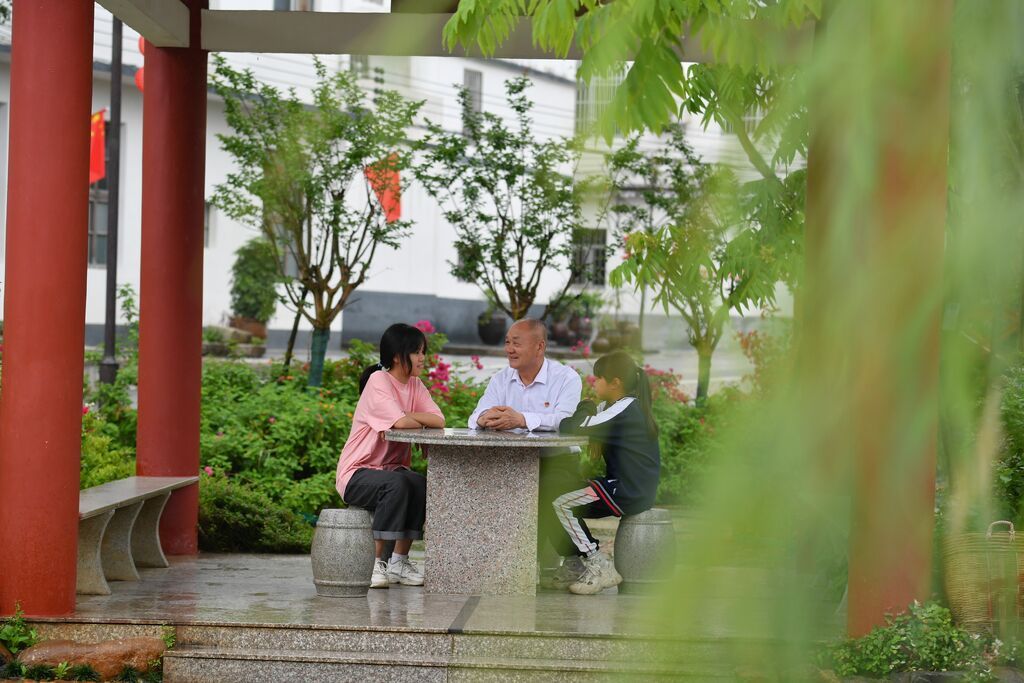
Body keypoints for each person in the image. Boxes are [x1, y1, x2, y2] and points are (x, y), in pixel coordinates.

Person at [467, 318, 584, 584]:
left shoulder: (566, 378)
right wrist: (484, 419)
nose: (509, 349)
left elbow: (565, 421)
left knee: (547, 492)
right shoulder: (501, 379)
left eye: (516, 343)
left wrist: (522, 420)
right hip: (512, 462)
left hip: (558, 460)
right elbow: (476, 414)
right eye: (507, 342)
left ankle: (570, 560)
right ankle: (507, 565)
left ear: (540, 346)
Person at [335, 323, 446, 589]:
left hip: (392, 469)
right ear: (397, 356)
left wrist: (411, 417)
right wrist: (411, 419)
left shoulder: (416, 386)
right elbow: (400, 423)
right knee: (396, 484)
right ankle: (373, 565)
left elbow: (438, 419)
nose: (423, 358)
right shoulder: (379, 381)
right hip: (357, 473)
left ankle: (399, 562)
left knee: (418, 483)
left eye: (423, 352)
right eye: (417, 352)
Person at [555, 351, 661, 595]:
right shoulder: (621, 407)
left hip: (627, 489)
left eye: (598, 378)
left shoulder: (624, 409)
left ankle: (599, 564)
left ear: (616, 383)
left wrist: (585, 406)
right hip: (627, 486)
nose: (594, 382)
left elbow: (572, 426)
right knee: (559, 492)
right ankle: (575, 564)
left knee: (562, 504)